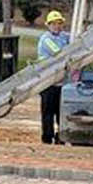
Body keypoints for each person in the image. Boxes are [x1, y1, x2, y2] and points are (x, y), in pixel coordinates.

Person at [37, 10, 71, 144]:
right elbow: (59, 53)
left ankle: (60, 137)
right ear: (48, 25)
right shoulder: (46, 39)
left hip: (61, 82)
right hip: (48, 81)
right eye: (54, 24)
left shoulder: (63, 36)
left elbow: (75, 39)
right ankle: (47, 137)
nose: (57, 26)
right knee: (48, 112)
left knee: (60, 112)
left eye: (59, 23)